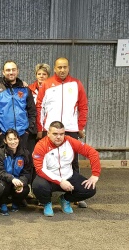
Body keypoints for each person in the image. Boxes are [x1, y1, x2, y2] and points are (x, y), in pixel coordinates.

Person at [35, 57, 89, 208]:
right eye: (59, 67)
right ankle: (44, 195)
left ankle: (75, 195)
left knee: (73, 162)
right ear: (54, 68)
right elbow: (39, 107)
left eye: (65, 67)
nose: (62, 70)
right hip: (49, 130)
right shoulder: (46, 84)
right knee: (47, 161)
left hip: (70, 130)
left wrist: (80, 126)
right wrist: (40, 129)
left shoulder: (76, 84)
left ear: (69, 67)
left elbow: (83, 107)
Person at [32, 121, 101, 217]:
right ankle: (47, 203)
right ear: (48, 133)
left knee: (90, 189)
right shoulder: (41, 145)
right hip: (49, 178)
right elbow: (40, 169)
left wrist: (95, 174)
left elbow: (92, 153)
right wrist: (60, 181)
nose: (58, 137)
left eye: (61, 134)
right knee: (37, 186)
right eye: (55, 134)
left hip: (68, 176)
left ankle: (65, 200)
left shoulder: (70, 141)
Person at [0, 60, 36, 150]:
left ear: (17, 71)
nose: (11, 72)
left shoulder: (25, 90)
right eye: (8, 70)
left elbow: (32, 111)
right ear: (3, 72)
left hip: (22, 135)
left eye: (13, 70)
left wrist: (28, 131)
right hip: (3, 136)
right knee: (3, 163)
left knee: (22, 163)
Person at [0, 129, 32, 215]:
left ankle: (16, 203)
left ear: (19, 139)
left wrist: (22, 182)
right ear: (5, 141)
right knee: (2, 186)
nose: (13, 142)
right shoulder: (0, 153)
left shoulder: (25, 153)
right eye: (10, 139)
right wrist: (12, 179)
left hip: (18, 180)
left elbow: (27, 172)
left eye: (15, 138)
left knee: (25, 189)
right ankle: (2, 204)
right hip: (4, 180)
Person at [27, 63, 50, 152]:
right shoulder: (29, 89)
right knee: (32, 152)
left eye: (44, 74)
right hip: (32, 126)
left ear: (48, 76)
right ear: (36, 75)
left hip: (46, 127)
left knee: (44, 152)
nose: (41, 76)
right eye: (39, 74)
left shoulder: (52, 90)